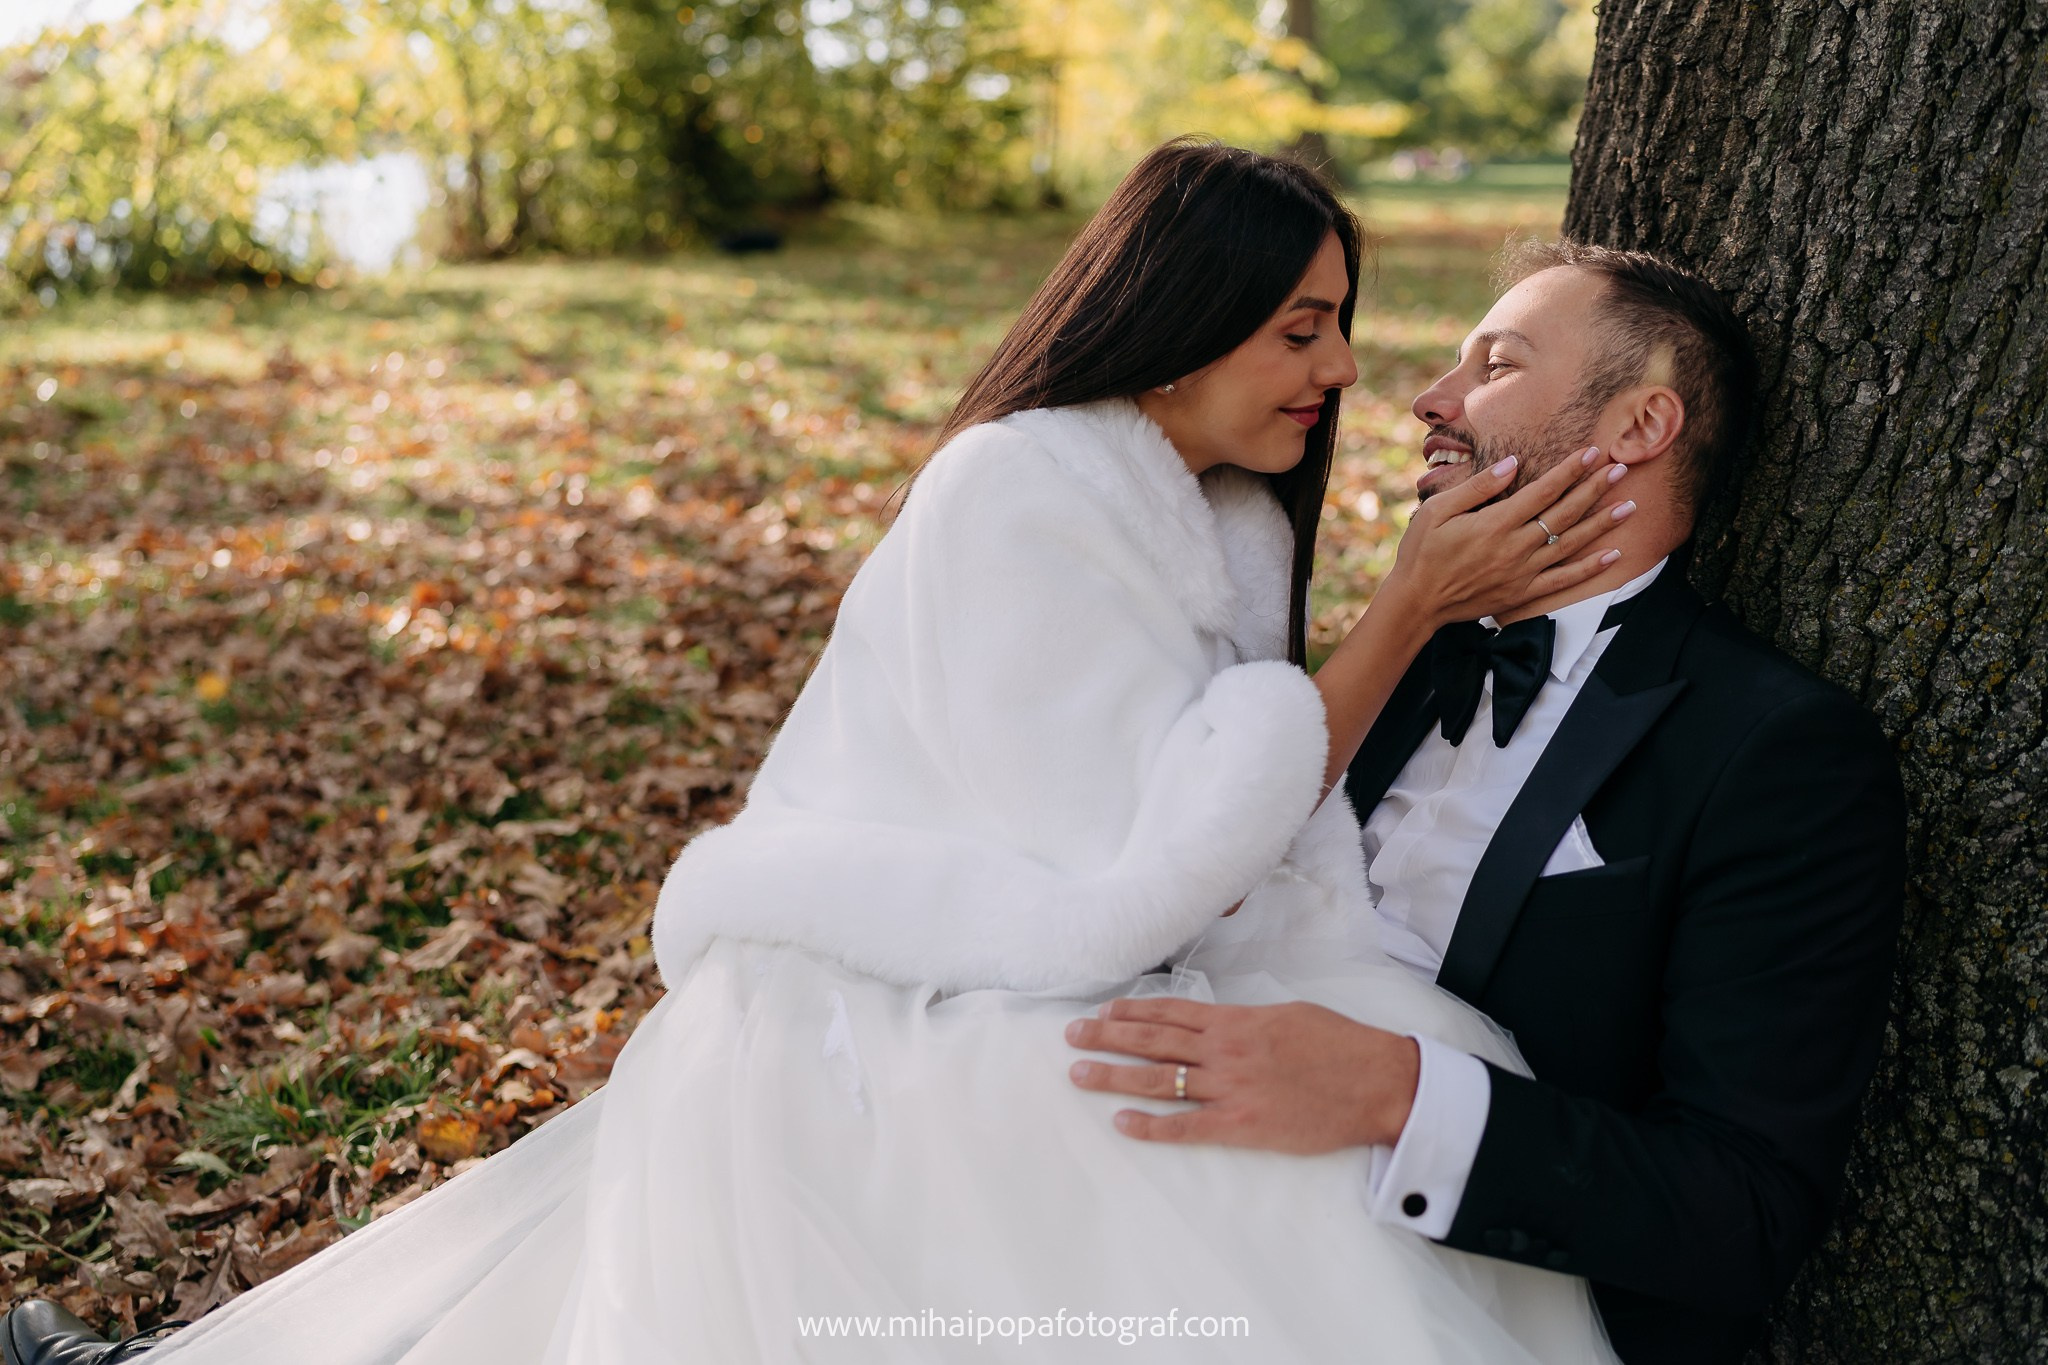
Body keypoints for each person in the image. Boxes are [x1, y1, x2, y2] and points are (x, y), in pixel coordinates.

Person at [4, 141, 1629, 1365]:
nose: (1342, 372)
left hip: (1109, 942)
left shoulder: (1222, 521)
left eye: (1336, 326)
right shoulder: (1022, 493)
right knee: (1217, 1191)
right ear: (1180, 323)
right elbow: (1132, 886)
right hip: (943, 972)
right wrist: (1404, 611)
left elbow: (1226, 829)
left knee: (1402, 1087)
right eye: (1298, 330)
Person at [1065, 240, 1908, 1365]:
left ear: (1639, 428)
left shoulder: (1772, 750)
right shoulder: (1394, 655)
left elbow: (1740, 1215)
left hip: (1471, 1302)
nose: (1427, 398)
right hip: (1178, 1208)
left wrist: (1395, 1095)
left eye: (1494, 365)